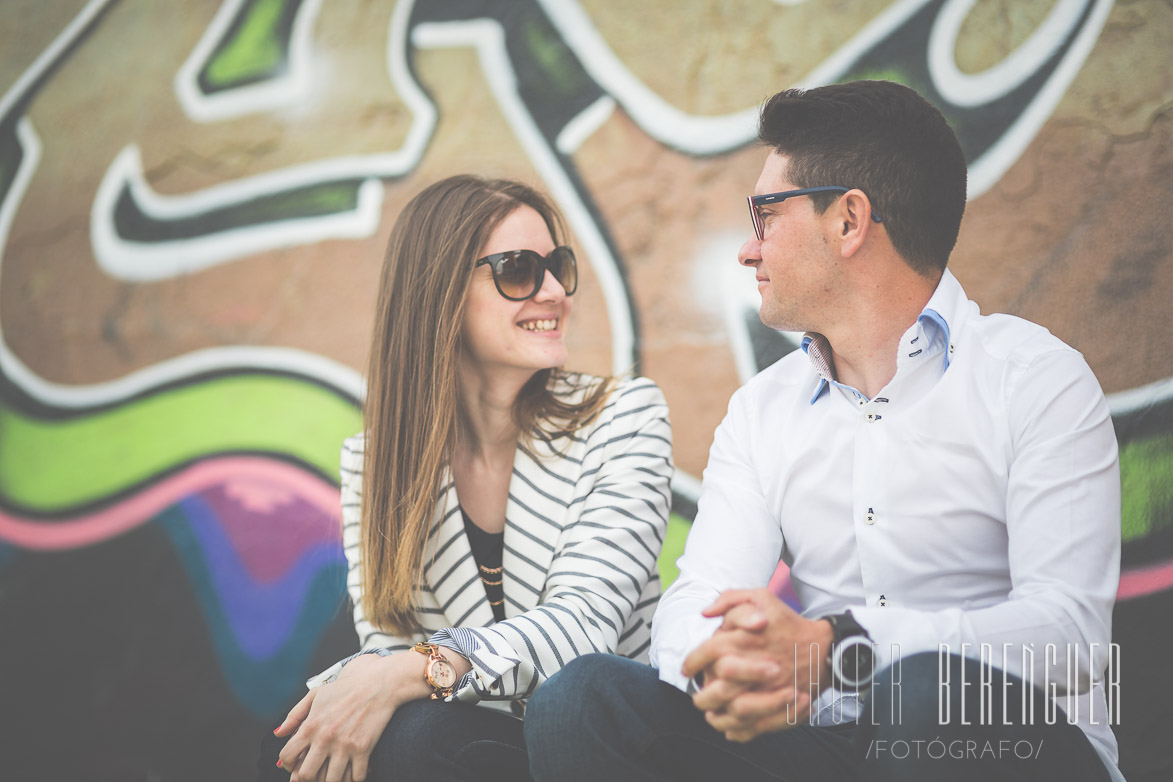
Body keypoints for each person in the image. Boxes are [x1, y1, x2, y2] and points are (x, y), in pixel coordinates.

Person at [524, 80, 1123, 782]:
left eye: (765, 215)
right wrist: (738, 665)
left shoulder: (1035, 378)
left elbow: (1070, 637)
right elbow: (696, 600)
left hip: (1007, 751)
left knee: (923, 693)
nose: (748, 251)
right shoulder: (760, 410)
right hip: (828, 747)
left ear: (848, 221)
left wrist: (840, 648)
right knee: (583, 700)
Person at [263, 175, 672, 782]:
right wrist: (373, 683)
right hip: (480, 751)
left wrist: (416, 668)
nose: (555, 290)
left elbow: (585, 627)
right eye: (517, 270)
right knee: (360, 738)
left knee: (414, 726)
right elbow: (384, 650)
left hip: (610, 750)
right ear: (441, 293)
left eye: (557, 266)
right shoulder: (377, 464)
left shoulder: (625, 417)